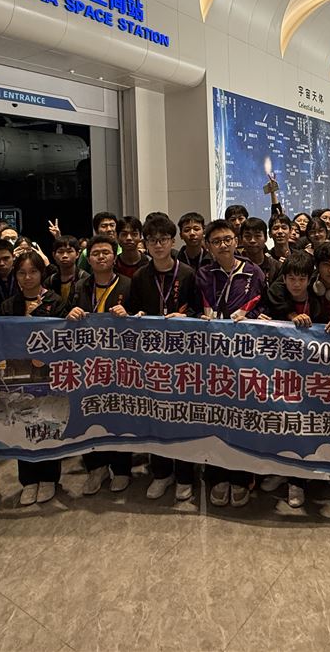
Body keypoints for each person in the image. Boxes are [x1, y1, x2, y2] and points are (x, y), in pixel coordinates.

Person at [263, 243, 330, 507]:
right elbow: (273, 301)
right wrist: (287, 315)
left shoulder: (327, 295)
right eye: (326, 265)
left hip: (327, 372)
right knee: (292, 424)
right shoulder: (282, 291)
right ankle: (294, 480)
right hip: (289, 372)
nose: (296, 283)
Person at [128, 214, 201, 502]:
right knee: (155, 415)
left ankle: (185, 475)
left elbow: (199, 311)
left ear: (173, 241)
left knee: (182, 416)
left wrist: (187, 316)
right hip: (151, 359)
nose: (158, 245)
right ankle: (161, 473)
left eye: (163, 239)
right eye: (152, 240)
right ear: (145, 244)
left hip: (182, 358)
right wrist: (136, 315)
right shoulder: (139, 277)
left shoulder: (188, 274)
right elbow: (133, 311)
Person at [195, 219, 268, 506]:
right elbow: (194, 308)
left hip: (245, 358)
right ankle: (217, 476)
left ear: (236, 241)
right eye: (216, 241)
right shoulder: (203, 274)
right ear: (208, 246)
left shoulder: (253, 272)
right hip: (212, 358)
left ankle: (241, 477)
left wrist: (253, 317)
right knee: (215, 416)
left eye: (227, 239)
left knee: (242, 417)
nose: (223, 245)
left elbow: (264, 306)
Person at [1, 251, 69, 504]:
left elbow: (64, 339)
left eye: (33, 272)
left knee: (48, 423)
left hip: (48, 375)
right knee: (23, 424)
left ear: (42, 273)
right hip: (20, 376)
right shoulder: (9, 305)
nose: (27, 277)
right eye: (21, 273)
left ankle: (50, 478)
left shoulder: (56, 302)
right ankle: (28, 480)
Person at [67, 234, 133, 494]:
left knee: (118, 415)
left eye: (106, 252)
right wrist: (70, 313)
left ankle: (121, 469)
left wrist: (128, 315)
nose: (101, 257)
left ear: (114, 257)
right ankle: (96, 468)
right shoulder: (80, 286)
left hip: (119, 365)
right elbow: (66, 319)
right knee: (88, 414)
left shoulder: (128, 284)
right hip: (87, 365)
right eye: (95, 253)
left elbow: (142, 319)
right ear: (88, 258)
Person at [43, 235, 81, 307]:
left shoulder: (85, 279)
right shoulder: (49, 281)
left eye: (69, 251)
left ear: (77, 254)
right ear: (54, 255)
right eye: (60, 252)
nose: (65, 255)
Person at [241, 217, 280, 285]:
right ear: (241, 239)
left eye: (257, 236)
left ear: (265, 238)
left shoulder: (276, 267)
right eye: (247, 236)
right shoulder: (235, 265)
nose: (252, 240)